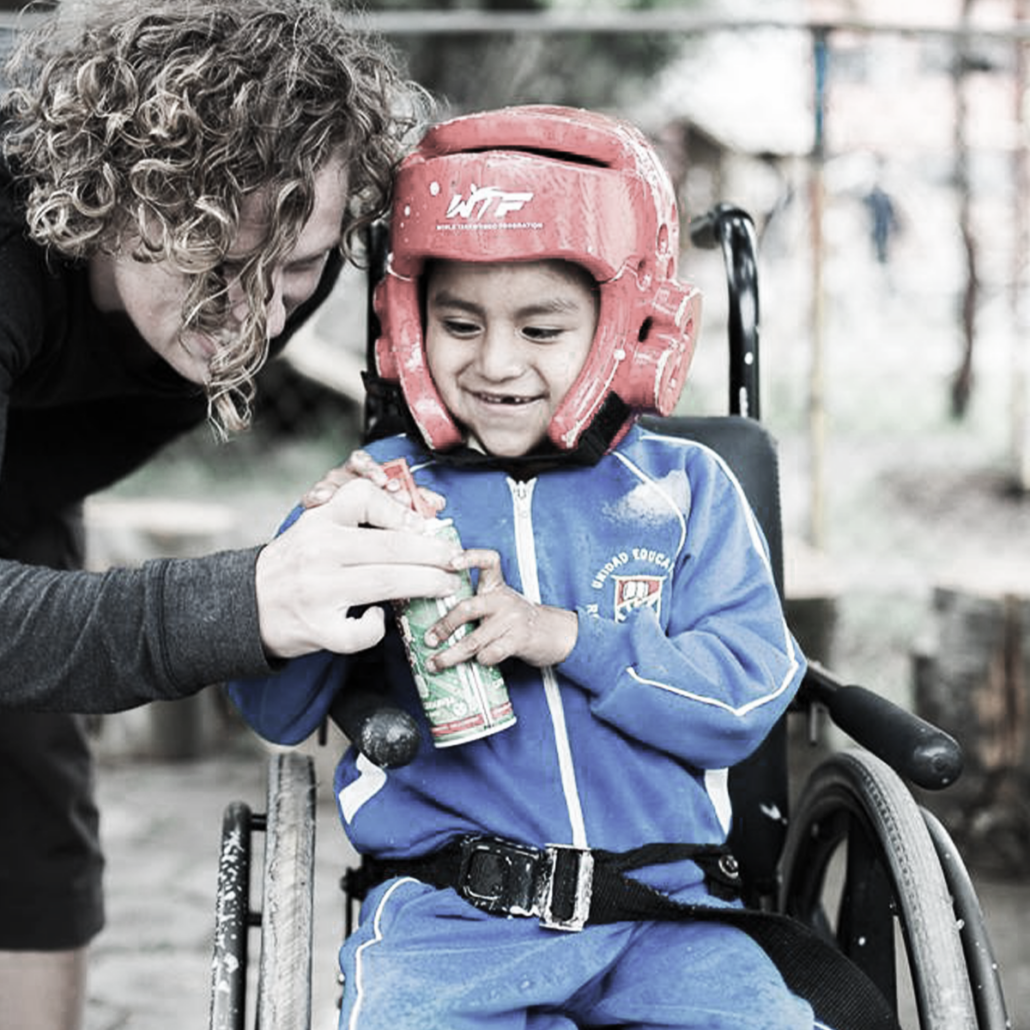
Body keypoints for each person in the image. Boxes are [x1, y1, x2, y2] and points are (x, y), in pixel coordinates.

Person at [229, 105, 814, 1030]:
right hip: (451, 922)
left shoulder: (686, 491)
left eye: (542, 330)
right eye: (459, 324)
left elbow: (746, 694)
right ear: (409, 322)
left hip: (664, 916)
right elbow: (274, 711)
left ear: (622, 326)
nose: (496, 363)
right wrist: (315, 562)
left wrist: (567, 638)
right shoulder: (378, 495)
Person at [0, 2, 464, 1027]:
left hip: (23, 484)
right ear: (107, 197)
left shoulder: (295, 239)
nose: (255, 319)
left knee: (32, 808)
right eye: (214, 269)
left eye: (294, 268)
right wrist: (242, 602)